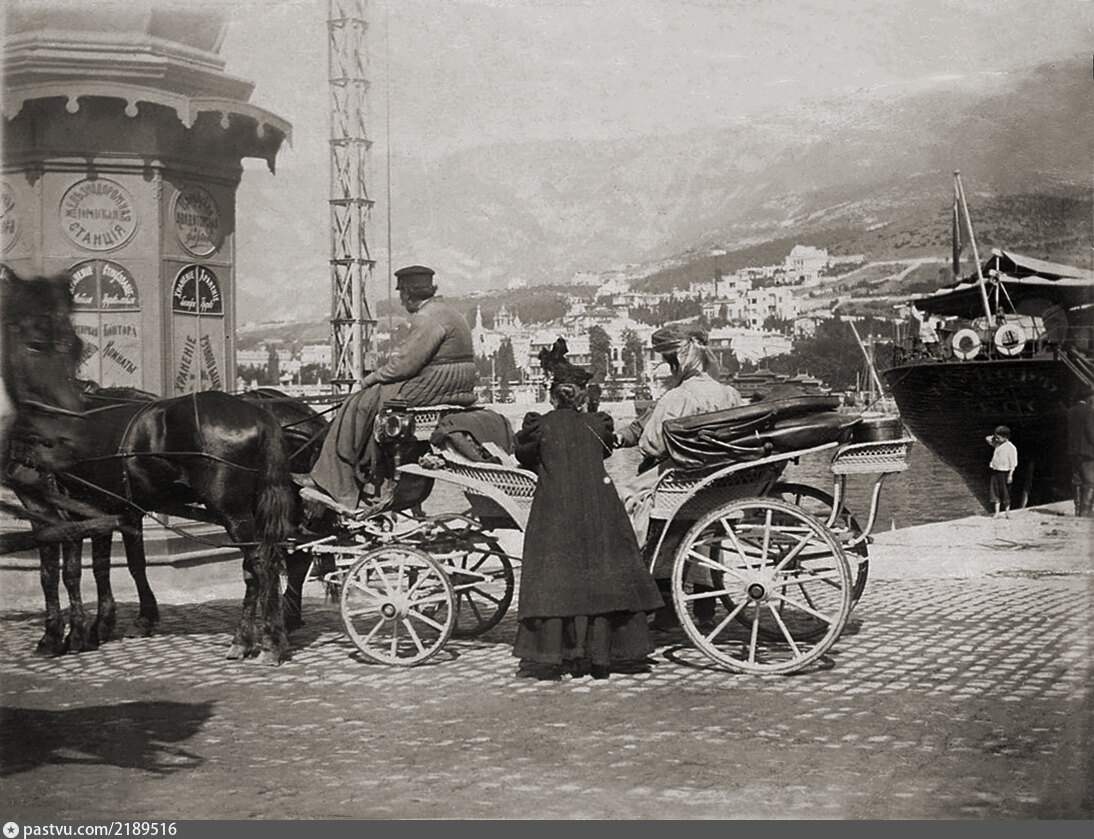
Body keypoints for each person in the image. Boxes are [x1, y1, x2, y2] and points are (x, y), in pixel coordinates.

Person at [512, 352, 663, 681]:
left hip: (554, 509)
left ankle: (559, 651)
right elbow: (606, 449)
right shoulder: (597, 424)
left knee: (556, 575)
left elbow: (523, 454)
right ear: (582, 397)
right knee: (603, 572)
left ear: (552, 396)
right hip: (599, 507)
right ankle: (602, 652)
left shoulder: (539, 425)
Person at [308, 265, 478, 509]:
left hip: (432, 384)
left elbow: (404, 366)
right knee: (367, 402)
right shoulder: (449, 311)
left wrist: (368, 381)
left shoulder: (427, 317)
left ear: (408, 293)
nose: (401, 300)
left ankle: (336, 483)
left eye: (401, 294)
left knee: (358, 403)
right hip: (453, 384)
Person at [614, 324, 743, 629]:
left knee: (622, 498)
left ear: (677, 362)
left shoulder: (677, 397)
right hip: (719, 482)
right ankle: (704, 605)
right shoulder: (730, 394)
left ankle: (656, 604)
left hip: (681, 482)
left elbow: (651, 444)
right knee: (701, 536)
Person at [1067, 389, 1094, 517]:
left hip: (1073, 451)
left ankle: (1077, 509)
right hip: (1087, 451)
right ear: (1088, 398)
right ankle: (1085, 510)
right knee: (1090, 480)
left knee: (1077, 479)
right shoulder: (1089, 411)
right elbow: (1091, 432)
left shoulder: (1071, 411)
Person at [985, 425, 1018, 519]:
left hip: (1005, 472)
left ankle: (1007, 512)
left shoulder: (1011, 448)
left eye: (998, 437)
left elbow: (1013, 462)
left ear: (1005, 437)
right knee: (995, 491)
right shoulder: (997, 444)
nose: (996, 439)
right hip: (995, 471)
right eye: (996, 437)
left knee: (1005, 492)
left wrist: (1010, 475)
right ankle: (997, 512)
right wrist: (996, 436)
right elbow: (987, 438)